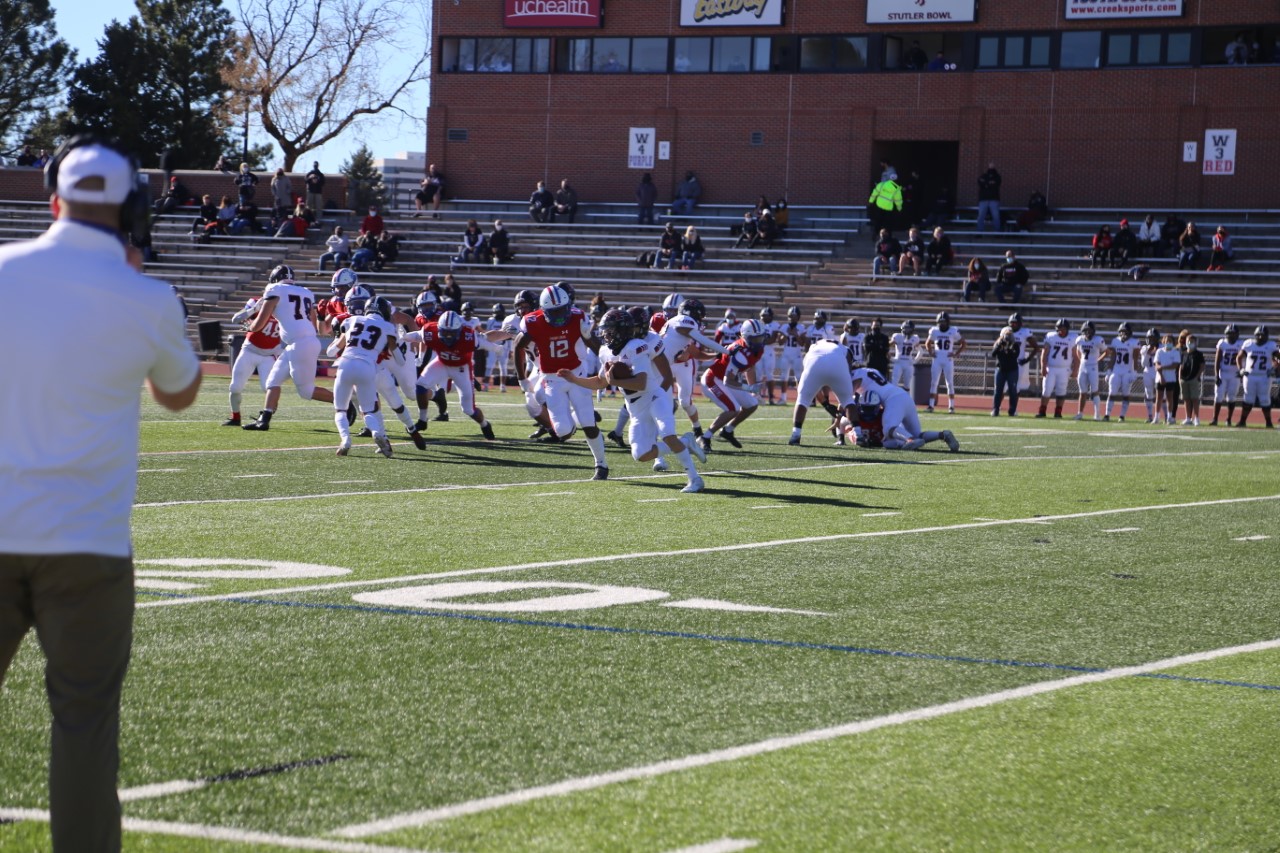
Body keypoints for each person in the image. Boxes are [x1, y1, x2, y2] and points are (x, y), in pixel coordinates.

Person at [0, 138, 201, 852]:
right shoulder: (146, 297)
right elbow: (178, 392)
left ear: (53, 200)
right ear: (130, 210)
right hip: (86, 544)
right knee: (84, 726)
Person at [563, 309, 706, 491]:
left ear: (621, 330)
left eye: (609, 330)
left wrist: (614, 381)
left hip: (654, 397)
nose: (606, 335)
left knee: (667, 434)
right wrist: (574, 379)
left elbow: (641, 382)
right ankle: (686, 442)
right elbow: (600, 381)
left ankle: (695, 479)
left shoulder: (636, 346)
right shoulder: (606, 351)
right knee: (641, 454)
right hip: (636, 409)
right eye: (605, 331)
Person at [514, 283, 610, 477]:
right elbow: (517, 348)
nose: (559, 315)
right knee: (563, 432)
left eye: (562, 310)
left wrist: (604, 371)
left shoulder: (577, 317)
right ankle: (573, 422)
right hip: (551, 378)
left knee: (589, 423)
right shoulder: (533, 321)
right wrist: (522, 378)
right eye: (554, 311)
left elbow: (595, 345)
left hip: (577, 374)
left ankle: (601, 464)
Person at [241, 264, 336, 430]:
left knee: (306, 391)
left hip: (300, 344)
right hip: (301, 343)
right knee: (273, 380)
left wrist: (249, 326)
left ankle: (345, 401)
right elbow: (313, 325)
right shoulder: (306, 292)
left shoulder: (274, 289)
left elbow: (259, 324)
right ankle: (264, 419)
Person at [324, 297, 399, 457]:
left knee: (340, 410)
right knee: (368, 410)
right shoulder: (387, 327)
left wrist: (338, 337)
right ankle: (377, 433)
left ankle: (345, 440)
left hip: (345, 364)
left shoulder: (352, 320)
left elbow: (330, 352)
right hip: (367, 367)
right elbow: (399, 358)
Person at [408, 309, 497, 440]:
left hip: (461, 368)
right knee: (421, 386)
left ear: (459, 330)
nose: (448, 336)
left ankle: (484, 424)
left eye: (452, 332)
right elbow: (415, 335)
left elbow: (486, 343)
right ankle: (422, 420)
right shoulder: (430, 331)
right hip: (442, 362)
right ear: (439, 329)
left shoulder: (469, 337)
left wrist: (498, 348)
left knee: (468, 410)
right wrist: (399, 337)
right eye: (445, 332)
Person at [658, 296, 728, 445]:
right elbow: (703, 341)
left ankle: (696, 430)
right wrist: (726, 351)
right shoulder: (683, 322)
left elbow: (694, 352)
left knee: (684, 401)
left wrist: (716, 354)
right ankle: (662, 437)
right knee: (661, 401)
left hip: (677, 364)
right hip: (663, 364)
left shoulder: (679, 325)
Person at [700, 319, 770, 451]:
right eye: (755, 339)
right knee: (733, 409)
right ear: (745, 337)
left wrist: (754, 390)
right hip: (713, 379)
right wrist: (748, 388)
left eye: (760, 338)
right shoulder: (739, 352)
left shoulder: (757, 349)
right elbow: (728, 381)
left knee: (751, 405)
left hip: (727, 380)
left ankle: (728, 430)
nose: (758, 342)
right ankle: (705, 437)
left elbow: (750, 367)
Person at [852, 367, 959, 451]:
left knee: (888, 428)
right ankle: (943, 435)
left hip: (893, 400)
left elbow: (848, 395)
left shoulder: (854, 375)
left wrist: (842, 410)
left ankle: (910, 440)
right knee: (917, 434)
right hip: (904, 396)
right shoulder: (870, 370)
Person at [788, 339, 858, 445]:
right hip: (837, 362)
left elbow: (812, 385)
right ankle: (859, 434)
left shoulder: (813, 349)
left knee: (802, 400)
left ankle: (795, 435)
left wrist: (826, 405)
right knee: (848, 400)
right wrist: (840, 414)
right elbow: (845, 388)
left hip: (814, 361)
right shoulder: (844, 349)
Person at [1234, 325, 1277, 428]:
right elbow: (1239, 357)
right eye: (1258, 335)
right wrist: (1241, 369)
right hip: (1250, 375)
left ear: (1267, 336)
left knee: (1264, 399)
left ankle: (1268, 422)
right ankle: (1242, 421)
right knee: (1248, 398)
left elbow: (1278, 359)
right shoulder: (1249, 344)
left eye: (1262, 335)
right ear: (1255, 335)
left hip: (1264, 376)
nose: (1260, 337)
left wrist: (1274, 368)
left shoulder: (1271, 345)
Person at [1036, 318, 1078, 418]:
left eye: (1063, 329)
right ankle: (1042, 411)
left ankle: (1058, 412)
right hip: (1051, 368)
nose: (1061, 331)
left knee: (1061, 391)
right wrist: (1043, 366)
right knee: (1046, 390)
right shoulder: (1051, 336)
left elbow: (1076, 356)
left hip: (1065, 369)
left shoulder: (1073, 338)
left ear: (1068, 329)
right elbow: (1044, 352)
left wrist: (1075, 369)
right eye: (1059, 328)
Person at [925, 312, 965, 413]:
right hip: (937, 359)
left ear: (948, 322)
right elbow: (927, 343)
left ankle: (951, 406)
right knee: (934, 383)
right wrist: (930, 352)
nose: (942, 324)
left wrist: (956, 354)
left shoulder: (953, 330)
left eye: (944, 322)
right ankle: (931, 405)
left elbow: (963, 343)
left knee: (950, 383)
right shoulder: (934, 330)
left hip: (948, 360)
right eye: (940, 322)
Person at [1104, 322, 1142, 421]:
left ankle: (1122, 415)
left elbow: (1135, 358)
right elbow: (1113, 357)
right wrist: (1108, 371)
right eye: (1121, 331)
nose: (1123, 333)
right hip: (1116, 370)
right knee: (1111, 393)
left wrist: (1135, 372)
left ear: (1129, 332)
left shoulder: (1134, 342)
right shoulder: (1115, 341)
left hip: (1127, 371)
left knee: (1125, 394)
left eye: (1125, 331)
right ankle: (1107, 414)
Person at [1210, 324, 1243, 426]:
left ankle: (1228, 419)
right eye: (1229, 333)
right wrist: (1216, 375)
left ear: (1237, 334)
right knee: (1218, 396)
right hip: (1223, 373)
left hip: (1235, 374)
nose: (1231, 336)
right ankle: (1215, 419)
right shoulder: (1222, 343)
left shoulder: (1241, 344)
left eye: (1233, 333)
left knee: (1232, 397)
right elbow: (1217, 359)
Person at [1073, 320, 1106, 420]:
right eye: (1086, 330)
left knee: (1095, 391)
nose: (1088, 332)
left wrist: (1098, 360)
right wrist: (1081, 360)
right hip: (1083, 367)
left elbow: (1106, 352)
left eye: (1090, 330)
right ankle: (1080, 413)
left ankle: (1097, 414)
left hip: (1093, 367)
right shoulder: (1079, 339)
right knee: (1082, 392)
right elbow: (1078, 351)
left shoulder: (1098, 340)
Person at [990, 325, 1021, 416]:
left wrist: (1009, 349)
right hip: (1001, 369)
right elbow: (993, 354)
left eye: (1009, 335)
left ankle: (1012, 410)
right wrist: (1000, 345)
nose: (1008, 337)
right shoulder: (998, 344)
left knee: (1012, 390)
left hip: (1012, 370)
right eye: (1006, 335)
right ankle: (996, 409)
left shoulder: (1015, 345)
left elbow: (1015, 356)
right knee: (998, 391)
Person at [1152, 333, 1183, 425]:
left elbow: (1174, 365)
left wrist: (1163, 367)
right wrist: (1161, 376)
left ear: (1173, 342)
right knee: (1159, 398)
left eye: (1170, 341)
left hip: (1171, 378)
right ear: (1163, 341)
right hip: (1159, 378)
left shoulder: (1175, 352)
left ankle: (1169, 417)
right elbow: (1157, 365)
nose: (1168, 342)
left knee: (1170, 398)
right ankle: (1156, 417)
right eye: (1166, 340)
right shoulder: (1159, 351)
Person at [777, 306, 808, 391]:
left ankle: (800, 396)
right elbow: (780, 343)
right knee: (784, 376)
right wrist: (786, 334)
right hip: (786, 354)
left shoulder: (801, 327)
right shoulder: (784, 327)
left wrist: (796, 335)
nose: (792, 319)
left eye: (794, 316)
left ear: (798, 317)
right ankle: (783, 398)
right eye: (791, 316)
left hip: (797, 355)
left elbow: (802, 344)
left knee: (798, 376)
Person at [1180, 332, 1205, 426]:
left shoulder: (1198, 354)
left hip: (1193, 378)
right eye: (1188, 341)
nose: (1190, 343)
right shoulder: (1184, 353)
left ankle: (1197, 418)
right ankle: (1188, 418)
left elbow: (1202, 366)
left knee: (1194, 399)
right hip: (1184, 379)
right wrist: (1180, 377)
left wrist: (1197, 376)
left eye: (1192, 341)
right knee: (1186, 399)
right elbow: (1181, 366)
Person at [889, 320, 919, 390]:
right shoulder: (898, 336)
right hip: (898, 363)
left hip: (908, 363)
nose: (907, 330)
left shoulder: (915, 338)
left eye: (908, 328)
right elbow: (887, 346)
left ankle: (906, 399)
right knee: (894, 383)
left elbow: (920, 351)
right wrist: (891, 358)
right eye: (905, 328)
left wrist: (915, 360)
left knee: (907, 385)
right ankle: (893, 399)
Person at [976, 162, 1002, 232]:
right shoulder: (983, 175)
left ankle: (997, 232)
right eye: (990, 166)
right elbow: (979, 181)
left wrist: (986, 184)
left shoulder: (997, 176)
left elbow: (996, 184)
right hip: (983, 199)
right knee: (981, 216)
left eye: (992, 166)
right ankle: (979, 232)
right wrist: (989, 183)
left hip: (994, 199)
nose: (991, 167)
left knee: (996, 216)